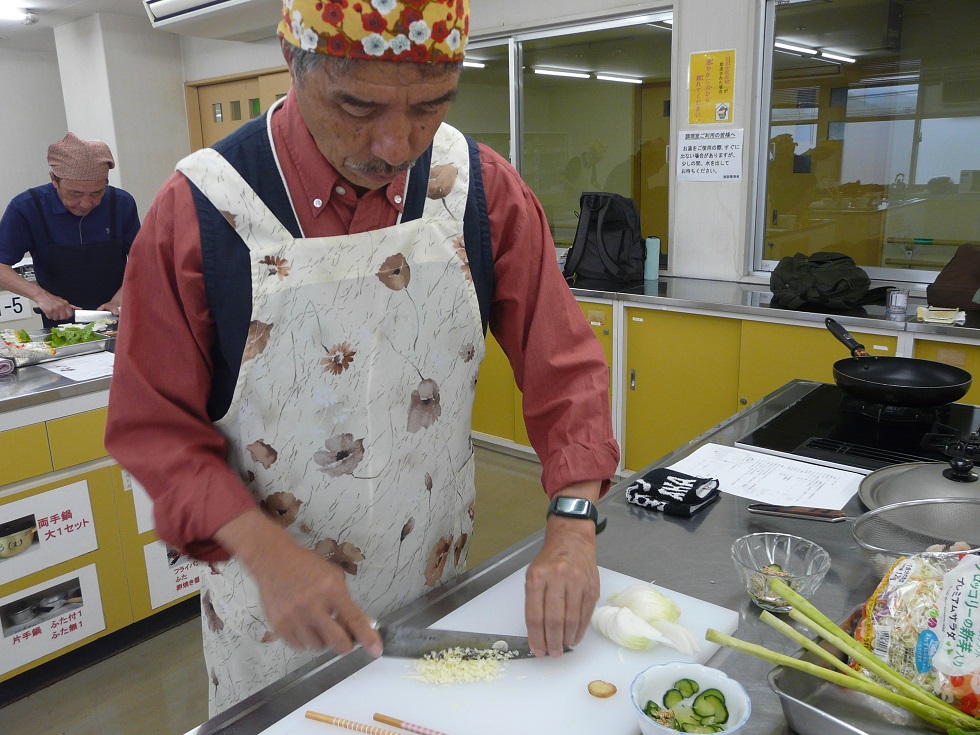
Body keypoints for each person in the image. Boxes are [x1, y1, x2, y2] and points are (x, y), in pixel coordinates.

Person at [105, 0, 619, 715]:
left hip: (437, 587)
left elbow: (563, 364)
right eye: (357, 106)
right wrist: (263, 549)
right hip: (274, 613)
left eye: (430, 106)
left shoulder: (477, 190)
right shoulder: (203, 212)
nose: (395, 145)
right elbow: (154, 428)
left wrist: (573, 521)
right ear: (293, 61)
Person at [0, 133, 140, 327]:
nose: (86, 204)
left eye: (97, 193)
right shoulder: (27, 208)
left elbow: (144, 260)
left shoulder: (121, 204)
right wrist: (40, 295)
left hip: (118, 315)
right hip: (60, 322)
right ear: (54, 179)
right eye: (75, 193)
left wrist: (121, 298)